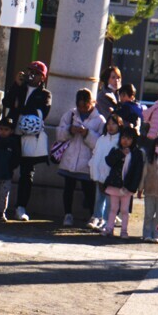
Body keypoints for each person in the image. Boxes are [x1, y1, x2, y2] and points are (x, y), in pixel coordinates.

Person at [2, 61, 51, 221]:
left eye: (36, 73)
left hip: (30, 137)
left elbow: (43, 111)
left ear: (42, 77)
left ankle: (21, 207)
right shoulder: (20, 88)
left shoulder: (45, 94)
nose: (32, 75)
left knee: (27, 173)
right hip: (13, 134)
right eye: (30, 71)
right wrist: (16, 84)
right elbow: (7, 102)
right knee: (5, 168)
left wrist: (19, 108)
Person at [55, 89, 105, 227]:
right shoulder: (70, 114)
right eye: (80, 106)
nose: (82, 109)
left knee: (89, 190)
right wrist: (69, 130)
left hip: (87, 162)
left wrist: (87, 134)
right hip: (69, 159)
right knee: (68, 188)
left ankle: (93, 216)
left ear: (92, 103)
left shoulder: (100, 120)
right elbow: (59, 134)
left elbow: (101, 144)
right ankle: (67, 215)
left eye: (86, 106)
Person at [102, 125, 144, 238]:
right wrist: (121, 153)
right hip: (115, 184)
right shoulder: (116, 149)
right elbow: (109, 161)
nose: (125, 141)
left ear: (133, 140)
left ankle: (124, 230)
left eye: (129, 139)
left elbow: (137, 172)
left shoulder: (137, 153)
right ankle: (109, 228)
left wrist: (133, 187)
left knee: (125, 210)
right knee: (113, 208)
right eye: (123, 138)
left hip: (127, 186)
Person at [88, 114, 124, 229]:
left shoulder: (120, 141)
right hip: (99, 174)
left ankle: (108, 221)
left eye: (114, 124)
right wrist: (92, 165)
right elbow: (96, 154)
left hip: (112, 177)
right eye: (108, 124)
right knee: (99, 198)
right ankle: (97, 217)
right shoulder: (101, 139)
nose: (110, 126)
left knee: (110, 201)